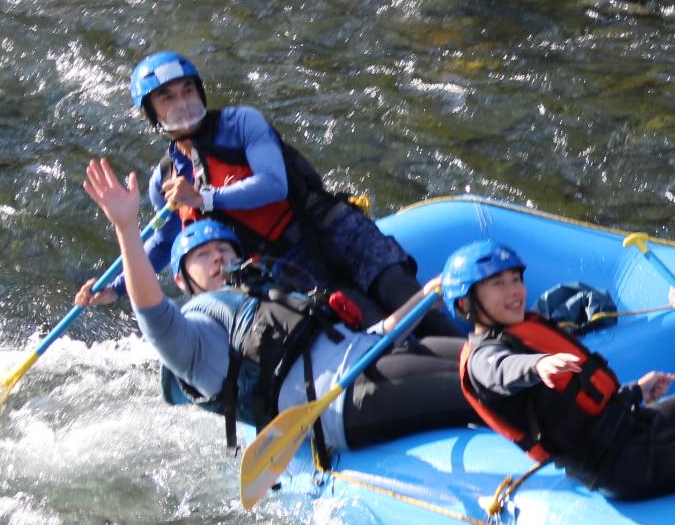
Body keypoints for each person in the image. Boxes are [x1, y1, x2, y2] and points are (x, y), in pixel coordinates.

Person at [80, 158, 480, 459]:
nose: (218, 259)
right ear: (182, 280)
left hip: (372, 358)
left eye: (224, 249)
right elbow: (151, 312)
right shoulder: (195, 340)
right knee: (484, 383)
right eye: (203, 255)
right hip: (341, 402)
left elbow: (368, 336)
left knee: (489, 360)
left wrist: (423, 296)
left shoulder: (278, 297)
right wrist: (126, 228)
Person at [76, 50, 463, 339]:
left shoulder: (241, 123)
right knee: (368, 330)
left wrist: (206, 199)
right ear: (151, 114)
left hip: (335, 233)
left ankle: (483, 368)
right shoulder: (166, 179)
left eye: (188, 90)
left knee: (416, 310)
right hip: (288, 271)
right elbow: (164, 244)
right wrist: (115, 290)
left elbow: (273, 184)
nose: (183, 103)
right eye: (168, 98)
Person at [444, 238, 675, 501]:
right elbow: (503, 370)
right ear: (466, 303)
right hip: (621, 463)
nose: (514, 290)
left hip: (630, 427)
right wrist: (537, 364)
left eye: (516, 279)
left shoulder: (522, 330)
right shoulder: (483, 359)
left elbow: (584, 406)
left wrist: (636, 392)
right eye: (498, 284)